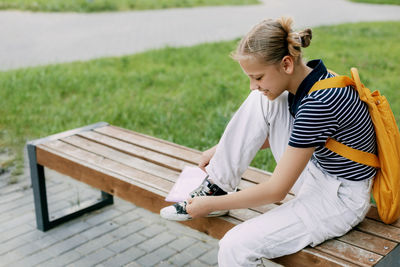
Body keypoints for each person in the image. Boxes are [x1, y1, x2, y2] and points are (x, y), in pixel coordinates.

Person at [160, 16, 377, 266]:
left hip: (338, 199)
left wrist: (209, 205)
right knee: (262, 100)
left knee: (234, 247)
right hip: (320, 172)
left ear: (286, 64)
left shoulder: (319, 104)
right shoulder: (315, 79)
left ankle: (215, 196)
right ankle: (218, 184)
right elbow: (297, 138)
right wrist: (222, 151)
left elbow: (276, 191)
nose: (253, 85)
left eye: (258, 77)